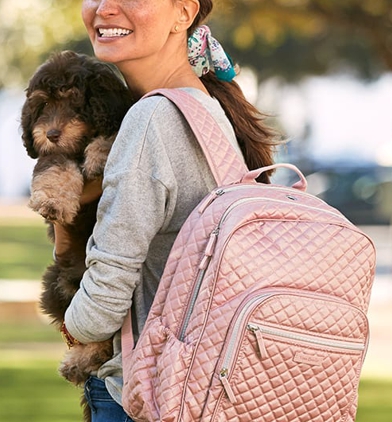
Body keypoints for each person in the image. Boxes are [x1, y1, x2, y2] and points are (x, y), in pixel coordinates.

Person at [55, 0, 280, 419]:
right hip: (202, 392)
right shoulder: (207, 108)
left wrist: (71, 329)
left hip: (145, 398)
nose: (105, 7)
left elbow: (100, 309)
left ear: (184, 13)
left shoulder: (153, 119)